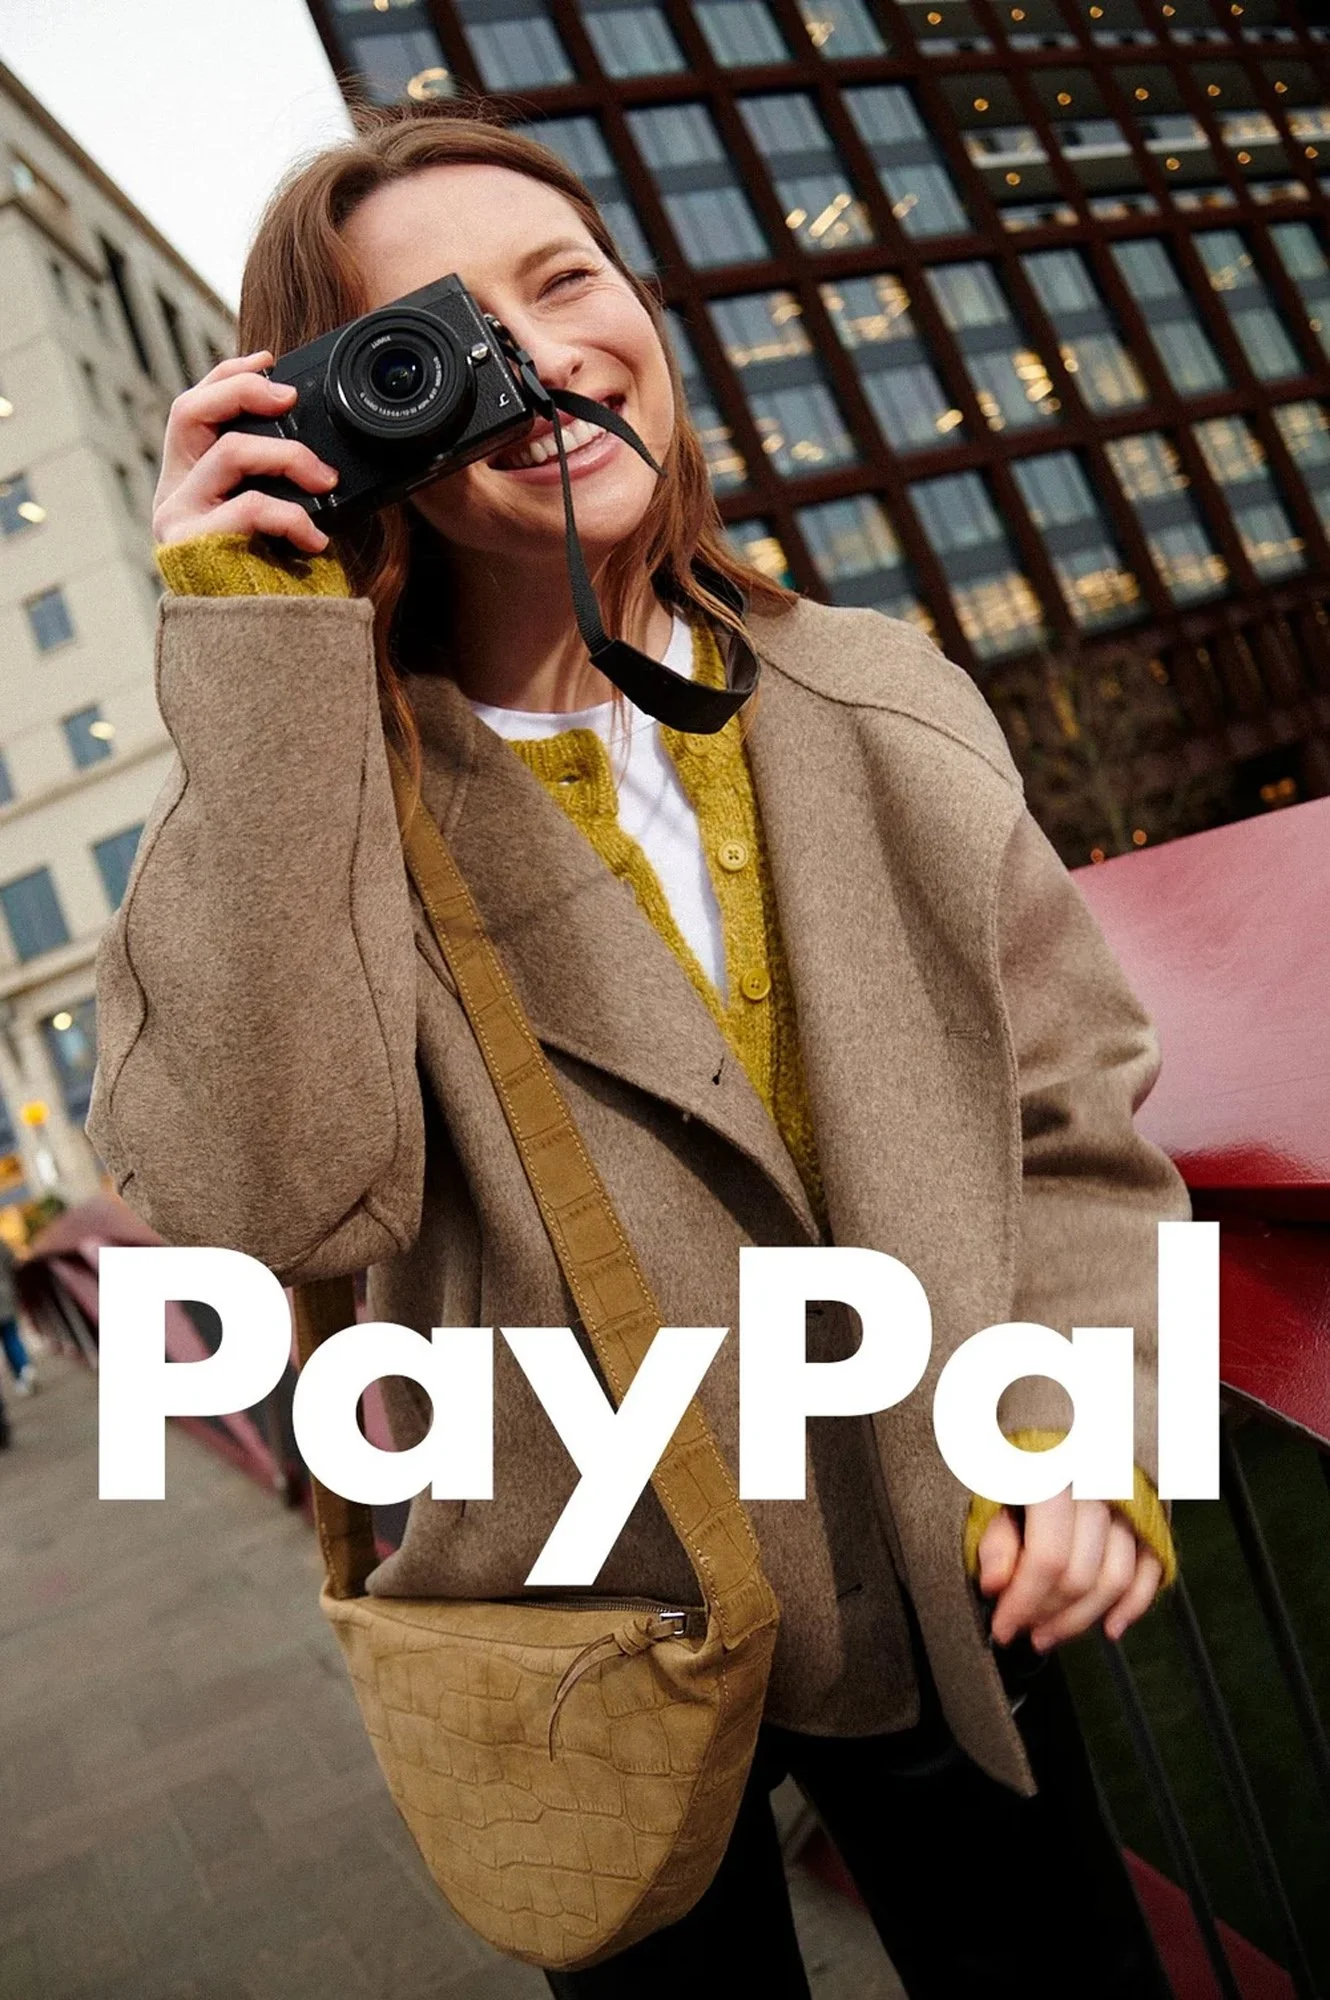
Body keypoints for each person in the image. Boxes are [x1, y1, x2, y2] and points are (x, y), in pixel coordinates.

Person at [88, 102, 1187, 1998]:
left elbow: (1071, 1127)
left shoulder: (878, 700)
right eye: (426, 336)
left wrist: (1076, 1433)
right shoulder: (309, 808)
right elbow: (267, 1198)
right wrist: (257, 656)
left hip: (941, 1591)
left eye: (564, 279)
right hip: (582, 1651)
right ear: (329, 421)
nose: (529, 353)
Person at [0, 1238, 35, 1395]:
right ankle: (24, 1367)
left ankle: (21, 1376)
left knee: (8, 1339)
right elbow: (11, 1260)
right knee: (11, 1336)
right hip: (4, 1295)